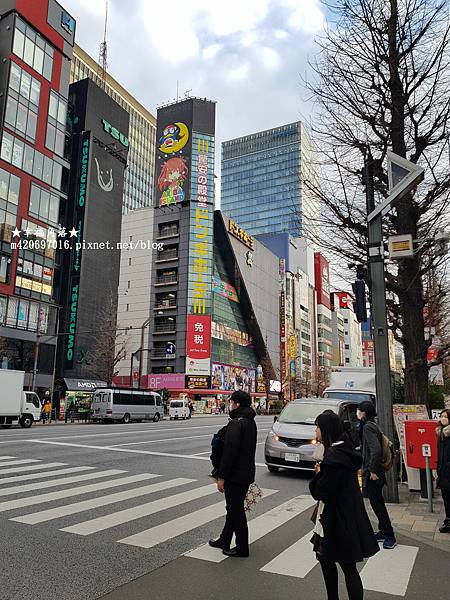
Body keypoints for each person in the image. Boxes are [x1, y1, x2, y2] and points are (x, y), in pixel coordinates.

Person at [310, 411, 379, 600]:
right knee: (340, 563)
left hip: (336, 519)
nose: (315, 431)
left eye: (317, 427)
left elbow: (322, 491)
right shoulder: (345, 450)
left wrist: (318, 473)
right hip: (348, 514)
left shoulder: (333, 458)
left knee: (337, 563)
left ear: (325, 429)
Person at [208, 390, 257, 557]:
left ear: (236, 404)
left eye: (231, 402)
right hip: (245, 473)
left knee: (236, 511)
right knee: (233, 508)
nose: (230, 405)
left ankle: (242, 547)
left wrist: (221, 476)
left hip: (235, 475)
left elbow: (229, 453)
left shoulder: (236, 424)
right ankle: (224, 538)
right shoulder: (250, 422)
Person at [357, 400, 396, 549]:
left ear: (364, 413)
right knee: (376, 503)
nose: (357, 413)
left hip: (374, 473)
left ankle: (389, 535)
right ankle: (383, 531)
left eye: (359, 410)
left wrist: (373, 470)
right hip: (373, 471)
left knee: (377, 504)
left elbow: (376, 450)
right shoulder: (372, 424)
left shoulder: (367, 427)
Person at [436, 408, 450, 533]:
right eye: (441, 416)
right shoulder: (440, 434)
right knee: (446, 498)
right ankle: (448, 521)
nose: (443, 418)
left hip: (448, 471)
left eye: (445, 416)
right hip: (443, 472)